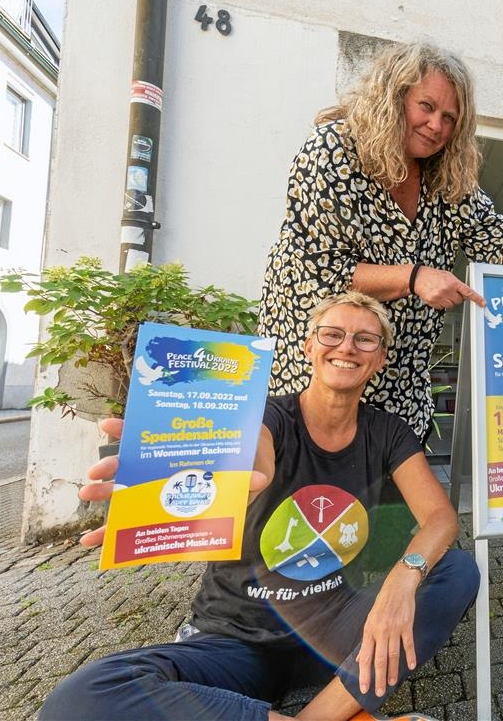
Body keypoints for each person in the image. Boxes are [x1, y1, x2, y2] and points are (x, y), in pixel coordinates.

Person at [40, 292, 478, 721]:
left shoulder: (386, 432)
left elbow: (440, 517)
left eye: (365, 339)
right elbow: (253, 454)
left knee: (458, 570)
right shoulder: (264, 419)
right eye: (332, 334)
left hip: (333, 632)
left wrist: (402, 579)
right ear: (309, 347)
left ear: (380, 358)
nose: (347, 346)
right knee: (81, 699)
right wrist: (213, 466)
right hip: (235, 640)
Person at [259, 41, 503, 444]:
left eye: (450, 117)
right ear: (394, 97)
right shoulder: (333, 150)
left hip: (401, 383)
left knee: (391, 499)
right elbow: (321, 269)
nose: (437, 125)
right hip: (325, 370)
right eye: (426, 107)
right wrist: (414, 277)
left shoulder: (445, 176)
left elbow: (491, 230)